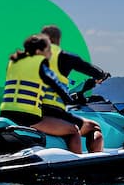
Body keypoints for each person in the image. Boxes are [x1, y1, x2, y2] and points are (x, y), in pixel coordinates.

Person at [0, 34, 85, 154]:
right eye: (48, 50)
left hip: (5, 114)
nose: (50, 53)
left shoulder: (12, 62)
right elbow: (57, 86)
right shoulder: (40, 63)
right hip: (27, 117)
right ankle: (77, 165)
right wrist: (72, 101)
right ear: (39, 51)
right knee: (74, 130)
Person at [39, 24, 110, 153]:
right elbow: (94, 71)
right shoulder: (65, 57)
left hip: (30, 111)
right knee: (92, 128)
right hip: (51, 112)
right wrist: (102, 76)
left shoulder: (30, 59)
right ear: (58, 40)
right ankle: (85, 164)